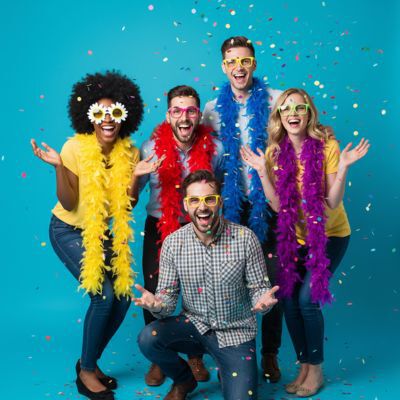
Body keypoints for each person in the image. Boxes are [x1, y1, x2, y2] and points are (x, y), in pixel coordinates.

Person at [31, 71, 155, 400]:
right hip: (67, 229)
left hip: (99, 234)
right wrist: (59, 167)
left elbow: (126, 206)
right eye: (99, 113)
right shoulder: (74, 147)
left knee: (123, 296)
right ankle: (86, 371)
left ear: (125, 115)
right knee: (104, 297)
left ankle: (89, 361)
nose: (107, 119)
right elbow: (68, 203)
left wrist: (136, 176)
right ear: (89, 116)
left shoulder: (130, 153)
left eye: (115, 112)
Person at [241, 88, 370, 397]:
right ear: (279, 116)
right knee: (288, 300)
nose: (293, 114)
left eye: (299, 108)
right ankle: (304, 365)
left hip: (330, 235)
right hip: (297, 238)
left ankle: (317, 369)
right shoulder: (274, 153)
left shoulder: (328, 147)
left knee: (307, 300)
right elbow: (276, 206)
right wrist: (262, 172)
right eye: (286, 109)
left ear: (309, 113)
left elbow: (332, 203)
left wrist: (343, 168)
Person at [135, 170, 279, 400]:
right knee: (148, 338)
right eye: (194, 200)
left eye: (209, 199)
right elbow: (168, 298)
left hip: (235, 333)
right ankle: (184, 380)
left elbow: (257, 289)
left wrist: (263, 300)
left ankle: (228, 368)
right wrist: (156, 304)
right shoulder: (173, 243)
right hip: (195, 326)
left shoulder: (246, 238)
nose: (202, 207)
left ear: (219, 202)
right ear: (186, 205)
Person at [202, 35, 283, 382]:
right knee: (232, 282)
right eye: (232, 61)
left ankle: (270, 354)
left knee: (273, 281)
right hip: (232, 206)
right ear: (224, 66)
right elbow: (205, 157)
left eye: (245, 61)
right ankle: (232, 353)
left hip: (270, 202)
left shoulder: (277, 100)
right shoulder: (211, 109)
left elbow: (301, 129)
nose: (239, 67)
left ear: (254, 64)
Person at [138, 86, 224, 386]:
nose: (184, 117)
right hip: (160, 226)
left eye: (190, 111)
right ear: (168, 115)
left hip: (200, 228)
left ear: (199, 115)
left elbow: (219, 190)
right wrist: (136, 176)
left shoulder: (216, 149)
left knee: (199, 292)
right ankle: (159, 359)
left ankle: (195, 355)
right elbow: (132, 196)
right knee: (153, 289)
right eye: (177, 110)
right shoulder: (149, 148)